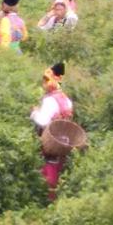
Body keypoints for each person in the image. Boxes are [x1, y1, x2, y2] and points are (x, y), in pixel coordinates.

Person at [31, 62, 74, 201]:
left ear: (56, 79)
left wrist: (34, 113)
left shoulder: (50, 100)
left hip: (51, 142)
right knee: (59, 167)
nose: (44, 84)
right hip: (64, 142)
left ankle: (46, 198)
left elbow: (43, 121)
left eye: (47, 80)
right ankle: (56, 196)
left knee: (48, 169)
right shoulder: (66, 99)